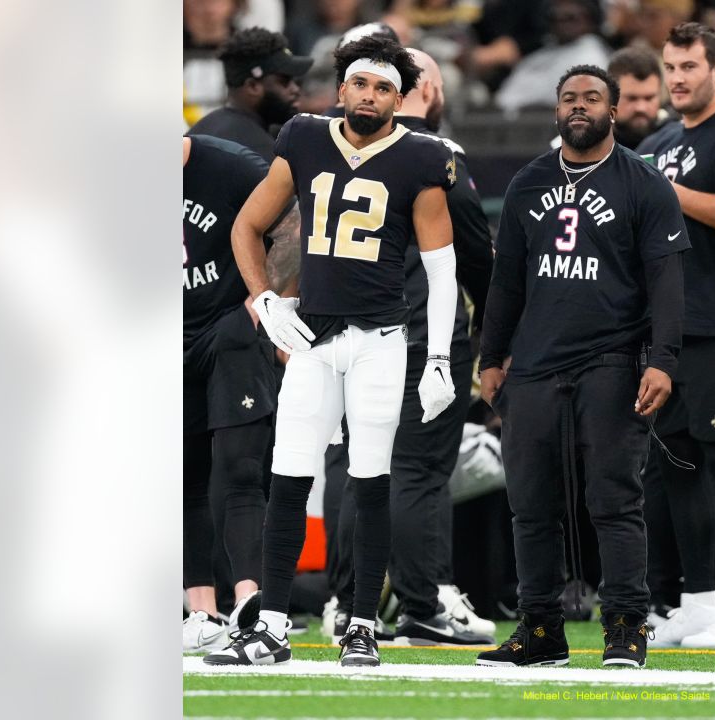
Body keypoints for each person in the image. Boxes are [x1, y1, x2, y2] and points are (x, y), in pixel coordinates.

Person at [204, 35, 460, 668]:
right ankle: (270, 627)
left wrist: (439, 360)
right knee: (288, 479)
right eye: (361, 84)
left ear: (400, 100)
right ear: (341, 87)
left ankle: (362, 625)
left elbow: (442, 268)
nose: (370, 96)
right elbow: (248, 224)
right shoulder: (304, 137)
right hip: (314, 337)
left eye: (383, 88)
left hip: (379, 341)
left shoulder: (423, 158)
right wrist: (264, 299)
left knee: (371, 482)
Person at [474, 64, 690, 669]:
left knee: (614, 501)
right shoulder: (527, 182)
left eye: (592, 97)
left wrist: (663, 360)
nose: (579, 106)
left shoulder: (643, 184)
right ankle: (540, 628)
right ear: (556, 109)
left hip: (613, 359)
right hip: (537, 364)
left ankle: (625, 625)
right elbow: (506, 281)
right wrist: (492, 357)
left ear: (613, 110)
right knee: (531, 504)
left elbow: (667, 280)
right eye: (569, 97)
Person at [323, 48, 496, 647]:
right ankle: (423, 605)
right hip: (422, 333)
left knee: (357, 467)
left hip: (347, 331)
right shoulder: (436, 155)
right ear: (421, 89)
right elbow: (477, 256)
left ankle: (349, 606)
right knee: (418, 471)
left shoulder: (333, 148)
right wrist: (499, 330)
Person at [181, 134, 300, 650]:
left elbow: (296, 226)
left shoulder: (229, 165)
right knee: (182, 474)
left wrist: (267, 297)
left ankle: (249, 600)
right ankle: (200, 613)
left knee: (240, 468)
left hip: (228, 327)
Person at [637, 21, 715, 649]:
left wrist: (666, 194)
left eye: (689, 66)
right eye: (671, 66)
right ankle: (697, 601)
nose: (677, 78)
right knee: (679, 469)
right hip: (668, 330)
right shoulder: (663, 139)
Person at [188, 28, 314, 162]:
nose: (295, 90)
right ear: (253, 86)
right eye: (284, 81)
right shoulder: (259, 151)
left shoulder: (203, 127)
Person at [495, 0, 611, 115]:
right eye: (554, 17)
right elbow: (504, 98)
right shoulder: (540, 55)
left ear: (589, 19)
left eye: (570, 17)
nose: (561, 22)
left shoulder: (592, 56)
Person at [607, 45, 672, 149]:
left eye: (649, 98)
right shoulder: (592, 144)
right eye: (631, 98)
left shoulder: (675, 139)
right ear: (609, 96)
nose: (641, 108)